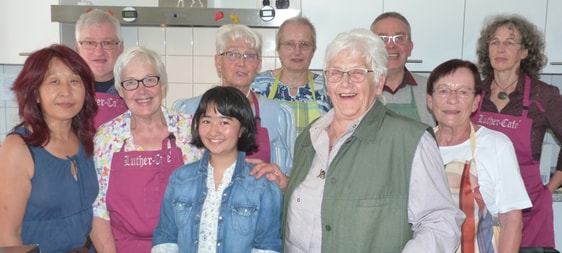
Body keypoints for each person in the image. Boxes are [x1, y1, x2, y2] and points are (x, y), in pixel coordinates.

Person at [282, 28, 464, 253]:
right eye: (336, 73)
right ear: (327, 84)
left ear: (379, 83)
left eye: (358, 73)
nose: (345, 83)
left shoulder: (409, 141)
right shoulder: (308, 137)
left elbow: (441, 223)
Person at [90, 46, 202, 252]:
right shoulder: (107, 138)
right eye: (131, 83)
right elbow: (98, 211)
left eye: (150, 79)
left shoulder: (191, 131)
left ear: (163, 85)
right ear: (121, 91)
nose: (142, 91)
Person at [152, 86, 283, 252]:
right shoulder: (180, 179)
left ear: (242, 129)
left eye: (224, 122)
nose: (214, 131)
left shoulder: (263, 185)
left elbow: (266, 247)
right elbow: (165, 238)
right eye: (206, 121)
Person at [471, 14, 562, 249]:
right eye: (494, 42)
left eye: (510, 42)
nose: (500, 49)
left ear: (525, 52)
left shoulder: (544, 95)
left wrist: (549, 188)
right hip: (478, 206)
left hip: (528, 207)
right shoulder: (473, 92)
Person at [0, 44, 99, 252]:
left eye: (74, 81)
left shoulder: (87, 140)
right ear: (35, 94)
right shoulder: (18, 148)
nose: (66, 91)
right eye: (54, 82)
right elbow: (7, 234)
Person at [427, 59, 532, 252]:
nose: (452, 99)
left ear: (476, 102)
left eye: (463, 92)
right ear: (429, 100)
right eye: (443, 91)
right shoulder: (418, 145)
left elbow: (511, 220)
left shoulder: (496, 145)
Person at [172, 24, 296, 177]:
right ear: (218, 62)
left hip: (256, 199)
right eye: (233, 54)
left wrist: (282, 181)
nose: (241, 63)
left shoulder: (278, 114)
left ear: (259, 64)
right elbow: (178, 172)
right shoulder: (188, 110)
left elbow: (287, 176)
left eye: (249, 55)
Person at [251, 16, 331, 135]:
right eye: (290, 44)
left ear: (313, 50)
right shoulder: (257, 85)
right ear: (278, 49)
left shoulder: (328, 88)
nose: (297, 51)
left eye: (304, 44)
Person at [370, 12, 435, 126]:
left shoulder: (432, 89)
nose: (391, 45)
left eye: (399, 38)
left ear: (410, 48)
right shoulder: (359, 88)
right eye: (383, 39)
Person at [75, 9, 127, 128]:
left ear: (121, 47)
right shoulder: (67, 91)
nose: (99, 52)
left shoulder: (134, 88)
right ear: (78, 47)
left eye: (108, 43)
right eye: (89, 43)